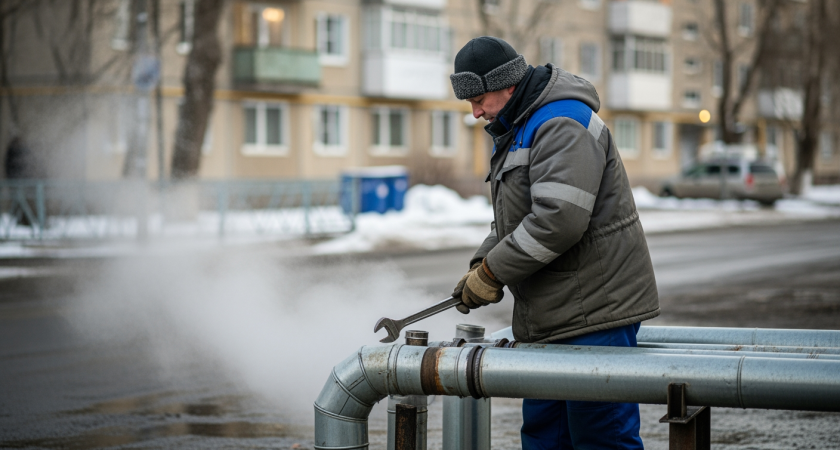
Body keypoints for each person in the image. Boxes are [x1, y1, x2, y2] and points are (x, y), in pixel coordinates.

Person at [449, 36, 660, 449]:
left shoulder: (561, 121)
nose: (475, 113)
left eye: (478, 99)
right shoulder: (523, 125)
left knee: (601, 440)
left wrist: (493, 272)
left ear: (506, 84)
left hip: (595, 316)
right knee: (546, 439)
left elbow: (557, 221)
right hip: (555, 317)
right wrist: (481, 267)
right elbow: (518, 219)